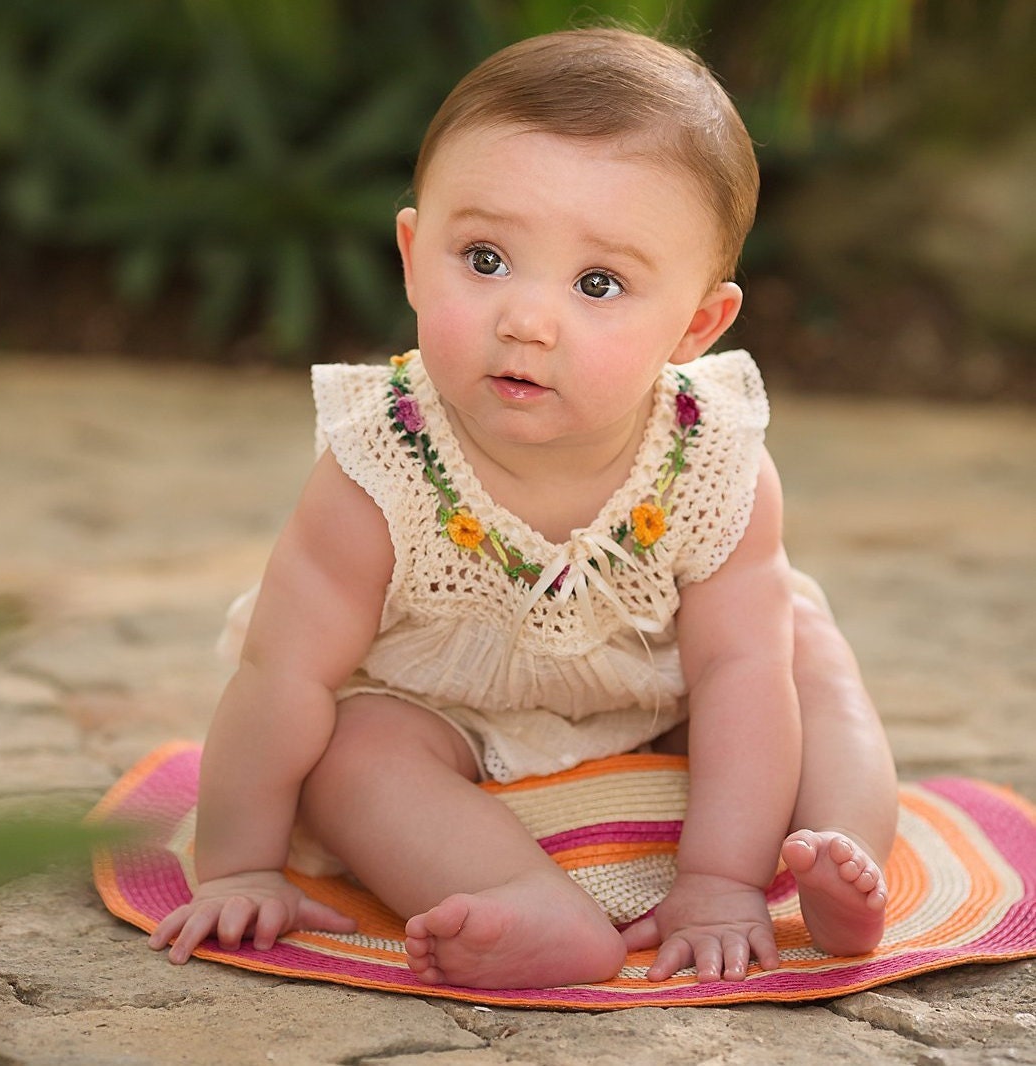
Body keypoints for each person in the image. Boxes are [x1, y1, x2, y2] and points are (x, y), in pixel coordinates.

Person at [148, 26, 898, 989]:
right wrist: (242, 863)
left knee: (801, 650)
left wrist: (718, 880)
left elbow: (739, 675)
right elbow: (281, 672)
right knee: (350, 753)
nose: (526, 319)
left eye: (599, 283)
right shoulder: (381, 463)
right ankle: (526, 903)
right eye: (486, 258)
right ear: (415, 257)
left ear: (695, 326)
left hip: (656, 685)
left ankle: (833, 854)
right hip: (444, 705)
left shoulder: (715, 464)